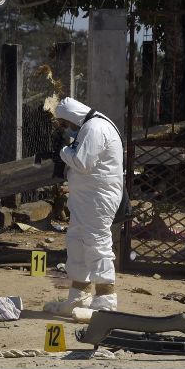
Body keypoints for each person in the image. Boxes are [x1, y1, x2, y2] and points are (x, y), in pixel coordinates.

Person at [42, 97, 123, 316]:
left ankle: (105, 303)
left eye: (66, 125)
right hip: (85, 199)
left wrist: (63, 150)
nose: (67, 129)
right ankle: (78, 298)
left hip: (97, 199)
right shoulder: (90, 127)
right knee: (77, 244)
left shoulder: (95, 128)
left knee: (97, 244)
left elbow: (81, 162)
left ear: (72, 119)